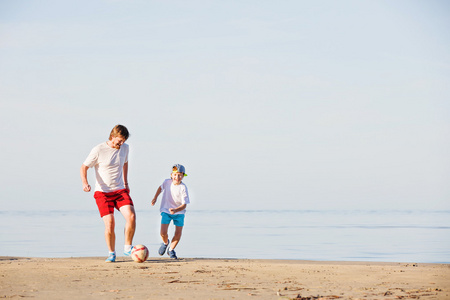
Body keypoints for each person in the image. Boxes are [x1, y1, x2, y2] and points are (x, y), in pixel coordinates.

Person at [80, 124, 136, 263]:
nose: (122, 143)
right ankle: (112, 253)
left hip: (120, 189)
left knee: (131, 216)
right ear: (113, 136)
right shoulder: (98, 149)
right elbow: (84, 167)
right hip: (103, 192)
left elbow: (125, 163)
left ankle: (128, 248)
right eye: (120, 140)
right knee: (110, 223)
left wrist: (126, 182)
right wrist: (85, 183)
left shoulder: (125, 148)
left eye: (124, 141)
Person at [151, 164, 190, 259]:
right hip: (166, 210)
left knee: (178, 233)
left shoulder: (183, 187)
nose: (177, 177)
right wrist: (155, 198)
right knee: (163, 232)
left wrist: (176, 210)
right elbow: (160, 188)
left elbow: (184, 204)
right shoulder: (167, 182)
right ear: (171, 175)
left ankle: (171, 249)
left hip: (179, 212)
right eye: (175, 174)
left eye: (180, 175)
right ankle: (165, 242)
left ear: (183, 176)